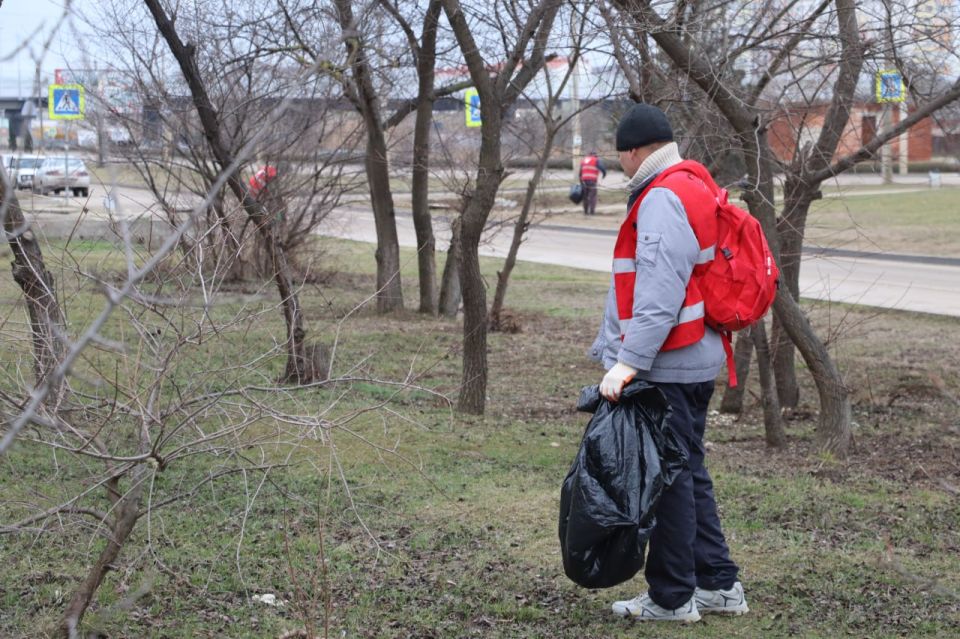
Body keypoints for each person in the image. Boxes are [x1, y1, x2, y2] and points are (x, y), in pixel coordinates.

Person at [588, 103, 748, 623]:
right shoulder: (695, 184)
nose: (622, 166)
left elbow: (658, 295)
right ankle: (718, 585)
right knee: (689, 473)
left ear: (636, 150)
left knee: (670, 482)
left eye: (622, 156)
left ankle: (672, 597)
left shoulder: (662, 198)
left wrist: (627, 363)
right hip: (695, 357)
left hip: (670, 366)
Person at [579, 151, 606, 215]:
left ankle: (585, 211)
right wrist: (604, 174)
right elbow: (602, 168)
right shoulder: (596, 160)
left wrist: (581, 181)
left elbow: (580, 172)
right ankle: (592, 211)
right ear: (595, 155)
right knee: (592, 196)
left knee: (585, 196)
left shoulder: (584, 160)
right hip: (592, 181)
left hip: (584, 181)